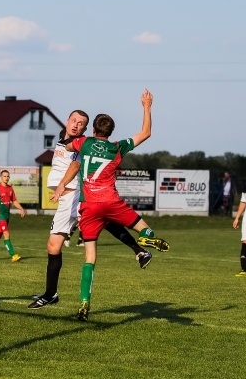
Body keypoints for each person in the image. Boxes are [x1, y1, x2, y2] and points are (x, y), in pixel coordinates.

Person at [29, 113, 165, 310]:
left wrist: (61, 185)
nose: (76, 125)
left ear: (87, 130)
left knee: (68, 240)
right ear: (66, 121)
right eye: (74, 121)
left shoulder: (81, 143)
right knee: (61, 243)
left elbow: (76, 164)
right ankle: (140, 249)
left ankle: (52, 294)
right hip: (73, 199)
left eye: (81, 124)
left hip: (74, 196)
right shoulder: (64, 139)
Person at [53, 89, 168, 321]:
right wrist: (147, 106)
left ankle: (84, 303)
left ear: (93, 129)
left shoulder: (83, 143)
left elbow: (67, 148)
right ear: (110, 132)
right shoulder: (118, 147)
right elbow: (146, 132)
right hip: (111, 201)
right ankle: (145, 238)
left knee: (90, 258)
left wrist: (71, 143)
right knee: (142, 227)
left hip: (89, 206)